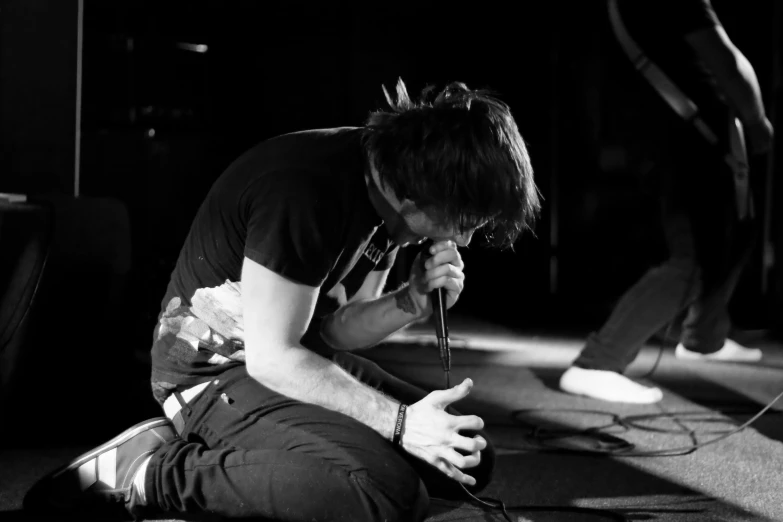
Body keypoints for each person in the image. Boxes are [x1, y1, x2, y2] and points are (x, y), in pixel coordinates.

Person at [24, 79, 540, 521]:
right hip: (214, 374)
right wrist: (401, 424)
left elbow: (335, 330)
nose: (467, 240)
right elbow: (273, 358)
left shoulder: (391, 191)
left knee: (469, 456)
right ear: (413, 196)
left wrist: (411, 301)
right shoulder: (306, 191)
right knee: (387, 497)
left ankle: (266, 454)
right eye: (466, 222)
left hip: (289, 359)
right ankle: (151, 473)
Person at [559, 0, 774, 404]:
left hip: (671, 132)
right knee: (693, 258)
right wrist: (757, 120)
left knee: (738, 230)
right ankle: (597, 363)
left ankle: (703, 337)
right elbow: (726, 60)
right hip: (686, 135)